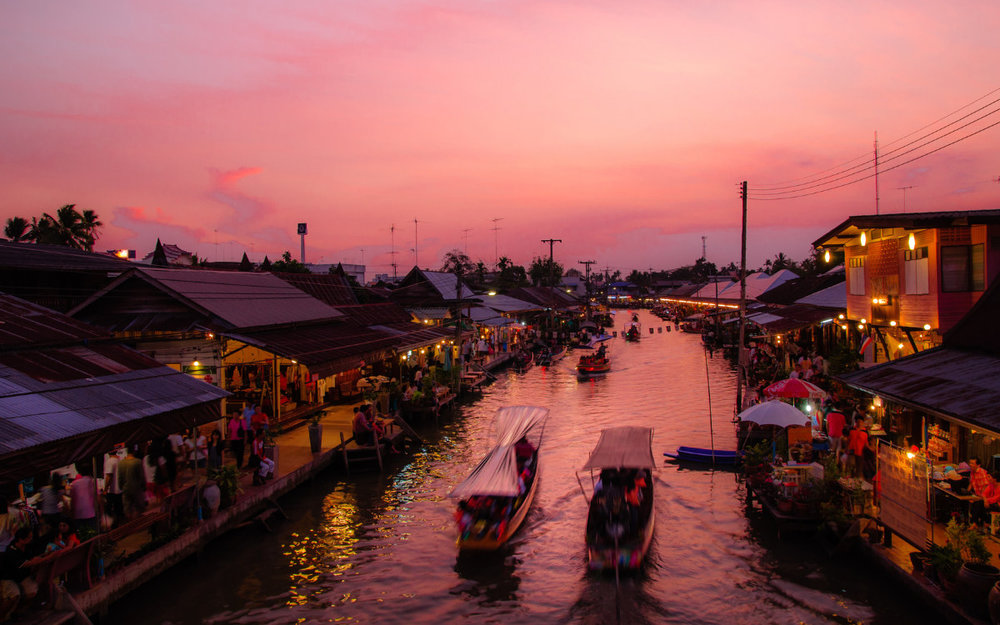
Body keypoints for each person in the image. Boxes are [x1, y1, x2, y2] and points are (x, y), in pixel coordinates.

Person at [0, 528, 37, 619]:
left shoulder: (28, 547)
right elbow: (25, 564)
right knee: (14, 595)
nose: (31, 539)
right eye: (29, 537)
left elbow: (32, 559)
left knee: (32, 592)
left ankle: (17, 612)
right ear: (21, 539)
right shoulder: (11, 550)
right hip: (8, 578)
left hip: (22, 577)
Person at [119, 445, 146, 518]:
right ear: (134, 451)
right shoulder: (137, 462)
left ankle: (130, 522)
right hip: (136, 488)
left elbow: (120, 477)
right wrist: (143, 486)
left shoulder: (121, 463)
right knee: (139, 507)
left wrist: (121, 487)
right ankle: (138, 523)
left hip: (125, 488)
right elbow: (141, 476)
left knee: (127, 508)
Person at [69, 464, 97, 535]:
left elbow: (72, 501)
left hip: (78, 514)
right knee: (92, 534)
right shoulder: (91, 481)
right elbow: (97, 498)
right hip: (90, 513)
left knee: (81, 535)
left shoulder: (74, 484)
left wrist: (71, 513)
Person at [103, 445, 124, 524]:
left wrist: (105, 489)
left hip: (112, 490)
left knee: (110, 510)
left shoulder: (110, 461)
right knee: (119, 509)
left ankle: (113, 526)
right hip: (120, 489)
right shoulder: (120, 460)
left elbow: (109, 476)